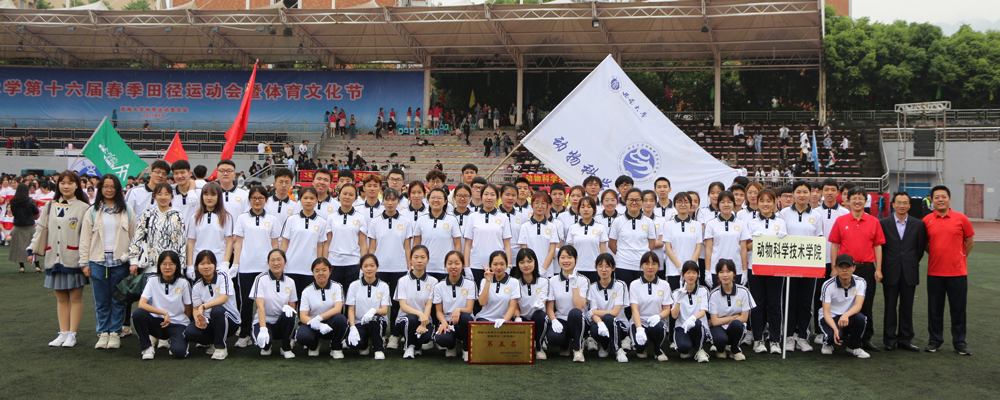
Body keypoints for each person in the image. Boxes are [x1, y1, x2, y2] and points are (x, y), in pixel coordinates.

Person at [29, 171, 91, 348]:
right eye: (62, 183)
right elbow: (40, 228)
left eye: (70, 183)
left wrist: (85, 260)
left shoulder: (84, 207)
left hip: (74, 258)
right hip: (53, 258)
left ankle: (72, 334)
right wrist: (32, 248)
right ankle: (63, 332)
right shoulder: (50, 206)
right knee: (61, 298)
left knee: (75, 298)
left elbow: (87, 236)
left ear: (77, 185)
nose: (66, 186)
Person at [78, 174, 136, 349]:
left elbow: (134, 237)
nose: (109, 190)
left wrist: (134, 260)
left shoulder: (127, 209)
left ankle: (115, 333)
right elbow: (85, 238)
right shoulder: (92, 211)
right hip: (97, 261)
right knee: (101, 300)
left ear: (118, 189)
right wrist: (84, 262)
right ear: (100, 189)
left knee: (118, 300)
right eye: (105, 187)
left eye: (112, 187)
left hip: (120, 262)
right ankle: (103, 332)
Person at [124, 182, 187, 336]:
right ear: (154, 196)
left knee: (168, 299)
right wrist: (133, 261)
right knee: (151, 300)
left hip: (171, 267)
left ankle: (166, 333)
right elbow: (137, 238)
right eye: (159, 194)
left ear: (171, 196)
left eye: (166, 194)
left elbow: (181, 242)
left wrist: (181, 267)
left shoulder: (177, 215)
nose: (163, 197)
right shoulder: (147, 214)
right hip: (150, 266)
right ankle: (153, 334)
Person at [828, 186, 884, 353]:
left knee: (866, 305)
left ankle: (865, 338)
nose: (857, 201)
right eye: (854, 198)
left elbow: (878, 246)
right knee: (843, 303)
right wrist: (834, 268)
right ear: (848, 201)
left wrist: (878, 269)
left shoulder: (874, 221)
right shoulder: (841, 221)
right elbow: (834, 245)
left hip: (866, 269)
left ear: (866, 201)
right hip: (845, 270)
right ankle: (842, 336)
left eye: (861, 198)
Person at [922, 185, 975, 355]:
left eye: (943, 197)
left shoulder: (961, 219)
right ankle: (935, 341)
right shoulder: (926, 220)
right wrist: (936, 254)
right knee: (934, 310)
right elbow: (924, 244)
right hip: (934, 273)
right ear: (932, 200)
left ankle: (959, 342)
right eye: (937, 197)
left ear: (949, 200)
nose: (940, 200)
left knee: (958, 310)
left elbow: (969, 242)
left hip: (957, 273)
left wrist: (960, 257)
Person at [777, 181, 825, 352]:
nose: (802, 195)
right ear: (793, 194)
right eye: (798, 192)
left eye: (805, 192)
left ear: (811, 194)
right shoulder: (783, 213)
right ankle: (789, 336)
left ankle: (803, 336)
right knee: (789, 301)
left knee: (806, 302)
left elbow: (819, 239)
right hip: (788, 266)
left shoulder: (816, 215)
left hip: (809, 266)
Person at [232, 186, 281, 349]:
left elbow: (275, 244)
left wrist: (276, 263)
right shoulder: (242, 218)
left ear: (266, 200)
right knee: (246, 302)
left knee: (267, 301)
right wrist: (235, 264)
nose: (257, 201)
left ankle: (267, 331)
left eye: (261, 198)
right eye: (254, 198)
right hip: (246, 266)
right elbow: (238, 243)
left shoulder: (272, 219)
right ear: (249, 200)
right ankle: (244, 334)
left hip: (265, 267)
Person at [877, 192, 927, 352]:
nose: (902, 206)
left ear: (910, 205)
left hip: (909, 271)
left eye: (905, 203)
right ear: (893, 204)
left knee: (907, 307)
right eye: (899, 202)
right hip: (890, 271)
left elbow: (919, 249)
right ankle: (890, 339)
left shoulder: (918, 224)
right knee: (890, 306)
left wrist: (910, 263)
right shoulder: (883, 223)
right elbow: (881, 247)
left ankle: (905, 339)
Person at [746, 188, 787, 354]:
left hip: (775, 269)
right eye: (762, 201)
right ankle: (758, 339)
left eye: (769, 201)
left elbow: (785, 246)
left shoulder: (781, 222)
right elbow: (746, 247)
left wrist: (781, 239)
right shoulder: (752, 223)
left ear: (775, 202)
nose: (765, 204)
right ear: (757, 202)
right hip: (755, 268)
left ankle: (775, 340)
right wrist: (756, 240)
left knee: (775, 304)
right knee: (757, 304)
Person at [367, 188, 413, 335]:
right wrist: (369, 266)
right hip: (379, 268)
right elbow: (372, 247)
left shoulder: (406, 222)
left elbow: (407, 247)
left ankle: (394, 334)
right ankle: (377, 333)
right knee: (377, 301)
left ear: (398, 201)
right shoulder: (375, 222)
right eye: (387, 199)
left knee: (396, 303)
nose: (390, 202)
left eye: (393, 199)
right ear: (383, 201)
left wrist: (409, 267)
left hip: (399, 267)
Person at [133, 251, 191, 360]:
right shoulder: (152, 280)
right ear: (159, 265)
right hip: (157, 322)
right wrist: (164, 313)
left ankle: (175, 342)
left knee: (179, 352)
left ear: (177, 266)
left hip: (177, 324)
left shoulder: (183, 282)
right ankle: (147, 347)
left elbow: (188, 307)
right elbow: (142, 304)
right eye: (164, 264)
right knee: (138, 314)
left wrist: (183, 322)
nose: (167, 267)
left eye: (171, 264)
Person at [183, 251, 240, 360]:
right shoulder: (197, 286)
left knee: (217, 310)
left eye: (209, 263)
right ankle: (213, 342)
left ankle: (221, 347)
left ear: (215, 264)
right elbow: (195, 308)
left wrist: (203, 306)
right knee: (189, 332)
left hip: (230, 320)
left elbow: (223, 299)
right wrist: (197, 319)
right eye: (202, 263)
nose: (206, 266)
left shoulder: (223, 276)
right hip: (209, 321)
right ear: (197, 266)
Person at [295, 258, 349, 358]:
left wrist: (320, 318)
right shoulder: (307, 291)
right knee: (302, 336)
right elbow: (303, 316)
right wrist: (316, 323)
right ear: (313, 272)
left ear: (330, 271)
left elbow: (338, 309)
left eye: (324, 270)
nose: (321, 273)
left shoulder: (337, 287)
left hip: (331, 323)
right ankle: (314, 345)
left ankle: (336, 347)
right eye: (317, 270)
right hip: (312, 323)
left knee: (341, 319)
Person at [819, 254, 871, 359]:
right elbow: (826, 313)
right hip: (831, 316)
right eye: (841, 267)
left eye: (848, 267)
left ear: (854, 268)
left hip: (848, 316)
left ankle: (853, 347)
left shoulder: (861, 282)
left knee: (861, 319)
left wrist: (846, 314)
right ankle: (827, 343)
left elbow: (858, 305)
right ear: (835, 268)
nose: (844, 270)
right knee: (832, 337)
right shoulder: (827, 285)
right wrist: (835, 329)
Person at [279, 187, 327, 300]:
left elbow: (320, 246)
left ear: (317, 200)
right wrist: (281, 262)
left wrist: (319, 266)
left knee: (307, 302)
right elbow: (284, 244)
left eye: (312, 198)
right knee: (289, 302)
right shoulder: (291, 220)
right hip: (291, 267)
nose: (308, 201)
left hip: (310, 269)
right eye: (305, 198)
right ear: (300, 200)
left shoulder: (322, 222)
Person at [250, 249, 298, 358]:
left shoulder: (290, 281)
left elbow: (292, 305)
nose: (276, 263)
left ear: (285, 262)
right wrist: (263, 329)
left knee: (290, 314)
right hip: (265, 321)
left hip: (281, 321)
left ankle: (286, 347)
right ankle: (267, 344)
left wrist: (289, 310)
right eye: (272, 260)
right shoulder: (260, 279)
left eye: (279, 259)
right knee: (265, 346)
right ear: (268, 263)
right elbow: (260, 306)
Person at [393, 246, 438, 359]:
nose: (419, 260)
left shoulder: (433, 281)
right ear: (410, 260)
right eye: (416, 257)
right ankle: (409, 347)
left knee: (425, 337)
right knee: (411, 319)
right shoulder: (403, 280)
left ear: (428, 260)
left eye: (423, 257)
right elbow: (403, 306)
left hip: (424, 320)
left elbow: (429, 304)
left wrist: (423, 323)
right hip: (404, 319)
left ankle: (417, 345)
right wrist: (419, 314)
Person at [546, 246, 589, 362]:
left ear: (576, 259)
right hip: (561, 319)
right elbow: (550, 307)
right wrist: (554, 320)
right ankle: (565, 345)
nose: (566, 261)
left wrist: (574, 285)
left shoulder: (583, 280)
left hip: (578, 320)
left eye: (569, 257)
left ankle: (578, 349)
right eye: (563, 257)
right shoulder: (553, 280)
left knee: (575, 312)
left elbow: (579, 306)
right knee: (553, 337)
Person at [627, 252, 672, 361]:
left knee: (659, 327)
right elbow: (634, 309)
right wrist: (639, 328)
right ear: (641, 266)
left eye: (654, 263)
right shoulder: (634, 284)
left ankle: (657, 349)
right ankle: (641, 348)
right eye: (647, 263)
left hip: (656, 322)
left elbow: (667, 309)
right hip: (639, 321)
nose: (650, 267)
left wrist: (658, 316)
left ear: (658, 266)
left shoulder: (664, 285)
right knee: (640, 346)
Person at [185, 183, 234, 280]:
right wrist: (190, 265)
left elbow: (229, 242)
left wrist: (225, 263)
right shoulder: (195, 217)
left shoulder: (226, 217)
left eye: (213, 195)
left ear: (219, 197)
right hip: (199, 264)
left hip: (218, 263)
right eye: (206, 194)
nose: (209, 198)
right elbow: (190, 242)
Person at [463, 185, 512, 283]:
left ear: (497, 198)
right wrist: (466, 267)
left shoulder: (503, 218)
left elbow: (507, 245)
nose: (489, 197)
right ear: (481, 196)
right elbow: (468, 244)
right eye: (486, 194)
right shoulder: (472, 217)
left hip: (497, 266)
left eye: (492, 194)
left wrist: (508, 266)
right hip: (476, 264)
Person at [587, 253, 630, 363]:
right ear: (595, 267)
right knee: (594, 329)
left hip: (620, 325)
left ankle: (618, 349)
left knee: (608, 318)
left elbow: (615, 312)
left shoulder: (620, 285)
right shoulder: (592, 287)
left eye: (607, 266)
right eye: (600, 266)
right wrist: (600, 323)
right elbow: (593, 313)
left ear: (613, 268)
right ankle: (604, 345)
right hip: (600, 323)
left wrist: (595, 312)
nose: (604, 269)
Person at [325, 183, 369, 290]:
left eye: (351, 194)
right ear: (339, 195)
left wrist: (363, 264)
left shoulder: (360, 218)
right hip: (334, 262)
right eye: (344, 194)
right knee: (334, 296)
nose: (347, 197)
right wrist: (325, 263)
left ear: (355, 198)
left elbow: (363, 244)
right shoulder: (331, 217)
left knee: (352, 296)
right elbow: (327, 243)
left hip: (353, 263)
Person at [708, 259, 754, 361]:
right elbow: (715, 322)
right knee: (720, 338)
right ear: (717, 275)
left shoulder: (743, 291)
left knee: (737, 324)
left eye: (728, 271)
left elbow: (744, 318)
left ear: (734, 273)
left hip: (734, 326)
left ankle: (735, 350)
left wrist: (724, 319)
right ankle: (720, 349)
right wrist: (734, 317)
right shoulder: (714, 294)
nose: (725, 275)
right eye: (721, 272)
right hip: (719, 327)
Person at [413, 188, 461, 281]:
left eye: (439, 198)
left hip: (445, 268)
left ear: (445, 201)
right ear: (428, 200)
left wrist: (456, 263)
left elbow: (457, 245)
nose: (436, 200)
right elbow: (416, 244)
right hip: (425, 268)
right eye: (433, 197)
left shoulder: (452, 220)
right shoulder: (421, 220)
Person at [703, 191, 750, 288]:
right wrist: (707, 271)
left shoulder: (741, 224)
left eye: (729, 202)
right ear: (718, 204)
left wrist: (745, 270)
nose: (726, 205)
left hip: (736, 268)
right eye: (723, 202)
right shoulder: (711, 224)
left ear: (733, 204)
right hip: (716, 268)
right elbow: (708, 249)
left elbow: (743, 249)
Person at [609, 188, 656, 284]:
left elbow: (652, 244)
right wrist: (623, 254)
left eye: (637, 200)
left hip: (642, 267)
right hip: (623, 265)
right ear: (625, 201)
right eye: (631, 200)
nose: (634, 203)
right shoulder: (618, 221)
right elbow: (611, 244)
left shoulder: (649, 222)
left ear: (642, 201)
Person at [511, 248, 549, 359]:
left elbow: (543, 300)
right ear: (518, 264)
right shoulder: (514, 282)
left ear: (535, 262)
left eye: (529, 261)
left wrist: (540, 305)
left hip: (537, 317)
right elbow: (514, 304)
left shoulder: (543, 281)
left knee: (540, 315)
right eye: (522, 262)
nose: (526, 265)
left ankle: (539, 347)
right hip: (522, 318)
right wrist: (517, 317)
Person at [670, 260, 710, 362]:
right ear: (682, 274)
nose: (691, 275)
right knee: (683, 348)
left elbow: (703, 312)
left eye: (694, 272)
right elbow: (674, 315)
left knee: (697, 323)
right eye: (688, 272)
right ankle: (689, 347)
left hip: (698, 326)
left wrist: (693, 318)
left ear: (698, 275)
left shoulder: (703, 290)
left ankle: (700, 350)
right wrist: (678, 300)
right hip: (682, 327)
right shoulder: (676, 293)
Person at [663, 192, 703, 291]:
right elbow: (668, 249)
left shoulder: (697, 225)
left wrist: (689, 269)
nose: (683, 205)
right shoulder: (668, 225)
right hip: (673, 270)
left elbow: (698, 248)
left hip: (692, 272)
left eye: (686, 202)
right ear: (675, 205)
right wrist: (680, 267)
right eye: (679, 202)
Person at [517, 191, 559, 278]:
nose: (540, 206)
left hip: (547, 272)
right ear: (532, 205)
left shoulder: (552, 227)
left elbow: (552, 250)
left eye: (543, 203)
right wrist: (531, 268)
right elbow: (524, 250)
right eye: (537, 203)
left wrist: (543, 269)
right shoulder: (524, 227)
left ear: (547, 206)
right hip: (529, 271)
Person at [565, 197, 608, 283]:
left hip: (594, 268)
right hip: (577, 268)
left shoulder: (601, 228)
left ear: (594, 209)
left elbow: (603, 251)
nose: (586, 209)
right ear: (578, 209)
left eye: (589, 206)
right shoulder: (573, 228)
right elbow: (570, 252)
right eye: (582, 206)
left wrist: (602, 267)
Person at [476, 250, 520, 330]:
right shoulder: (484, 281)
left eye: (502, 264)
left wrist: (504, 320)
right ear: (490, 265)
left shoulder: (514, 282)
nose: (499, 267)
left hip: (504, 320)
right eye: (495, 264)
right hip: (485, 318)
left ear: (506, 264)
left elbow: (512, 307)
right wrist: (488, 281)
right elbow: (482, 302)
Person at [7, 184, 39, 273]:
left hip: (18, 226)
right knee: (34, 246)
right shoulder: (30, 201)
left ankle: (22, 267)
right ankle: (37, 266)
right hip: (29, 226)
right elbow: (36, 211)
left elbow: (13, 212)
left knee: (19, 247)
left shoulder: (13, 201)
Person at [497, 184, 525, 257]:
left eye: (513, 195)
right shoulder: (495, 215)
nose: (510, 198)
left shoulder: (521, 217)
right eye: (507, 195)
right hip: (498, 255)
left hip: (517, 256)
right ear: (500, 195)